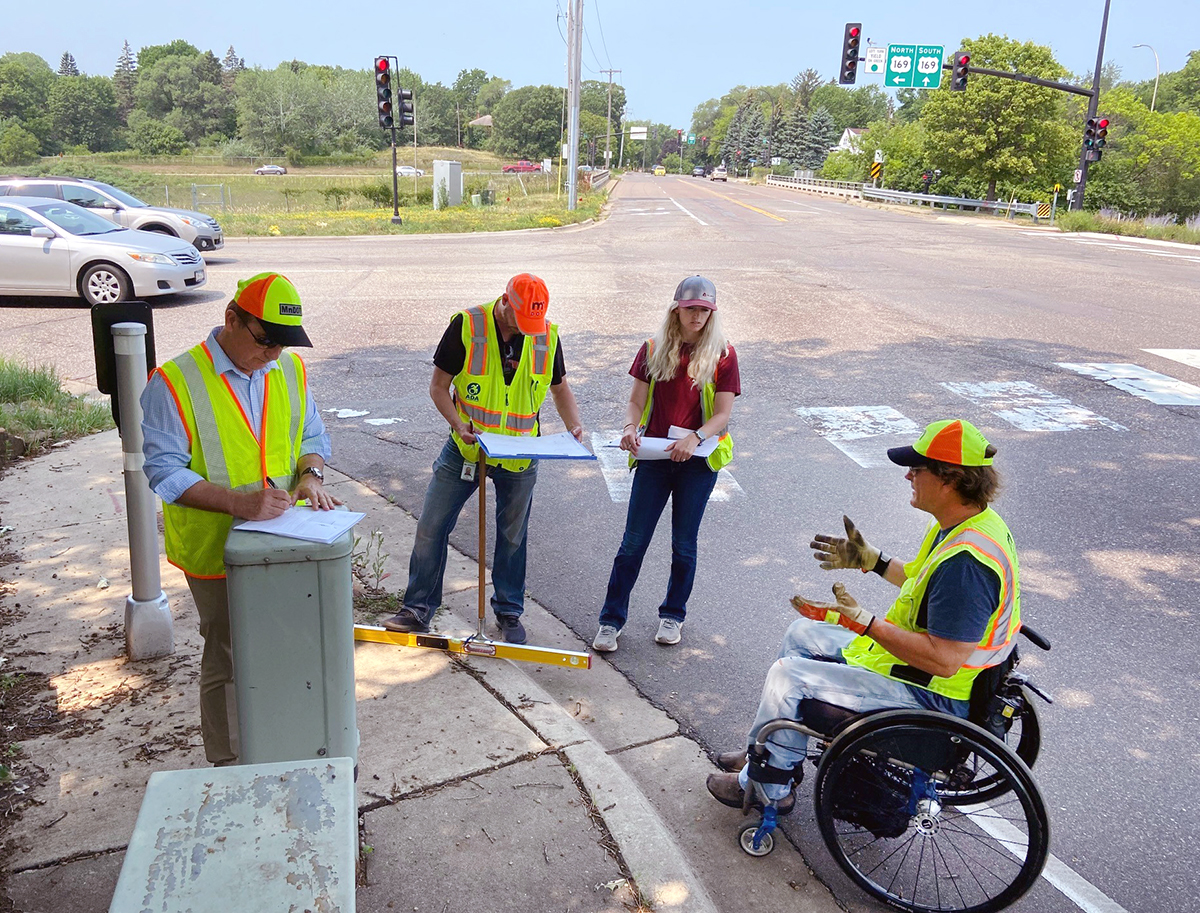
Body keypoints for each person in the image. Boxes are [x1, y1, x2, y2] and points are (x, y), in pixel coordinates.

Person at [706, 419, 1020, 812]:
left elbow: (944, 661)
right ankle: (773, 754)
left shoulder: (967, 565)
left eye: (917, 469)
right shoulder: (965, 524)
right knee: (802, 632)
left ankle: (768, 785)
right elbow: (917, 577)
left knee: (787, 677)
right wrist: (872, 560)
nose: (908, 475)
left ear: (949, 479)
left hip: (931, 694)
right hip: (910, 667)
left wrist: (865, 623)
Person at [140, 272, 341, 766]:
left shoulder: (288, 371)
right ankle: (229, 759)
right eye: (265, 340)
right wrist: (239, 503)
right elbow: (163, 471)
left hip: (287, 541)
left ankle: (283, 738)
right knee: (229, 653)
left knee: (289, 643)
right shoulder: (174, 382)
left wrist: (310, 477)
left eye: (283, 344)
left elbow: (312, 437)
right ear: (232, 319)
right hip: (215, 550)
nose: (274, 354)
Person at [382, 273, 583, 645]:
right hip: (467, 449)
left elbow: (559, 387)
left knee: (512, 536)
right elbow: (439, 387)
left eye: (532, 324)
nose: (527, 331)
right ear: (505, 301)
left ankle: (509, 611)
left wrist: (574, 427)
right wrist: (458, 424)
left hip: (521, 456)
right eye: (522, 321)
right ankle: (417, 607)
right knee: (431, 524)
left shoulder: (546, 335)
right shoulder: (467, 325)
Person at [592, 275, 738, 653]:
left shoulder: (723, 353)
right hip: (655, 457)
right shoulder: (653, 348)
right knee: (632, 544)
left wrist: (695, 438)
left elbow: (722, 414)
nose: (698, 317)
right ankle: (610, 621)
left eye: (705, 311)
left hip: (697, 461)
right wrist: (629, 427)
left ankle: (673, 615)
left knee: (683, 545)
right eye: (691, 309)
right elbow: (636, 401)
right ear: (676, 308)